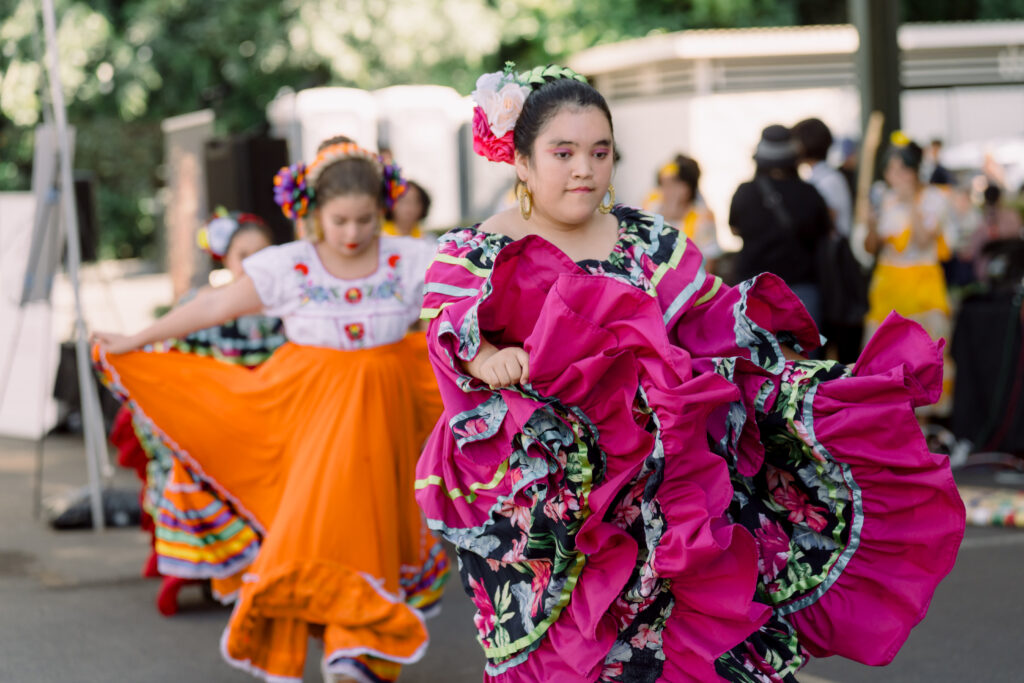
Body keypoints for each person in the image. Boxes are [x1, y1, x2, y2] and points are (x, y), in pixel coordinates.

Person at [416, 64, 963, 682]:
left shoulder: (644, 237)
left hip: (667, 478)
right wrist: (489, 360)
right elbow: (447, 328)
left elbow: (710, 317)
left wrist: (800, 379)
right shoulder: (478, 251)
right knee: (579, 652)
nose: (583, 169)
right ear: (519, 158)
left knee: (688, 637)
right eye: (561, 152)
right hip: (558, 500)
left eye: (600, 151)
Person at [93, 140, 448, 683]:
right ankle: (349, 642)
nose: (352, 234)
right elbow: (211, 305)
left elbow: (471, 298)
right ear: (311, 213)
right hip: (309, 415)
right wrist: (138, 338)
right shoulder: (290, 266)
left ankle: (357, 645)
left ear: (383, 210)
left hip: (388, 414)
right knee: (319, 527)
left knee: (374, 526)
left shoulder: (411, 259)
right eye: (339, 220)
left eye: (365, 220)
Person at [107, 209, 287, 615]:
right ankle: (214, 568)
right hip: (213, 420)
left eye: (263, 253)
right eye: (244, 254)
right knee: (189, 465)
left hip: (271, 419)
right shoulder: (200, 303)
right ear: (226, 256)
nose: (253, 263)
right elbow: (177, 367)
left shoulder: (287, 306)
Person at [864, 133, 957, 416]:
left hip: (923, 285)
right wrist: (870, 223)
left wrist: (912, 203)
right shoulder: (882, 197)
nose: (896, 176)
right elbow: (869, 248)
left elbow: (922, 242)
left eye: (902, 169)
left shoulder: (934, 199)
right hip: (889, 283)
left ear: (915, 171)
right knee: (886, 356)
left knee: (924, 356)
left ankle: (928, 426)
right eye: (891, 169)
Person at [729, 124, 832, 328]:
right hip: (801, 292)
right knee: (805, 358)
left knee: (756, 357)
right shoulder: (810, 193)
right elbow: (824, 232)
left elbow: (734, 229)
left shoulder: (745, 192)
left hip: (754, 291)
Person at [793, 117, 862, 363]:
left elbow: (825, 224)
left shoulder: (827, 181)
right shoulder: (821, 178)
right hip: (826, 266)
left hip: (833, 269)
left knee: (832, 339)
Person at [645, 154, 722, 274]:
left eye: (673, 185)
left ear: (688, 188)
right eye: (663, 185)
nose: (666, 191)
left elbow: (708, 266)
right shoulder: (650, 209)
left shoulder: (703, 216)